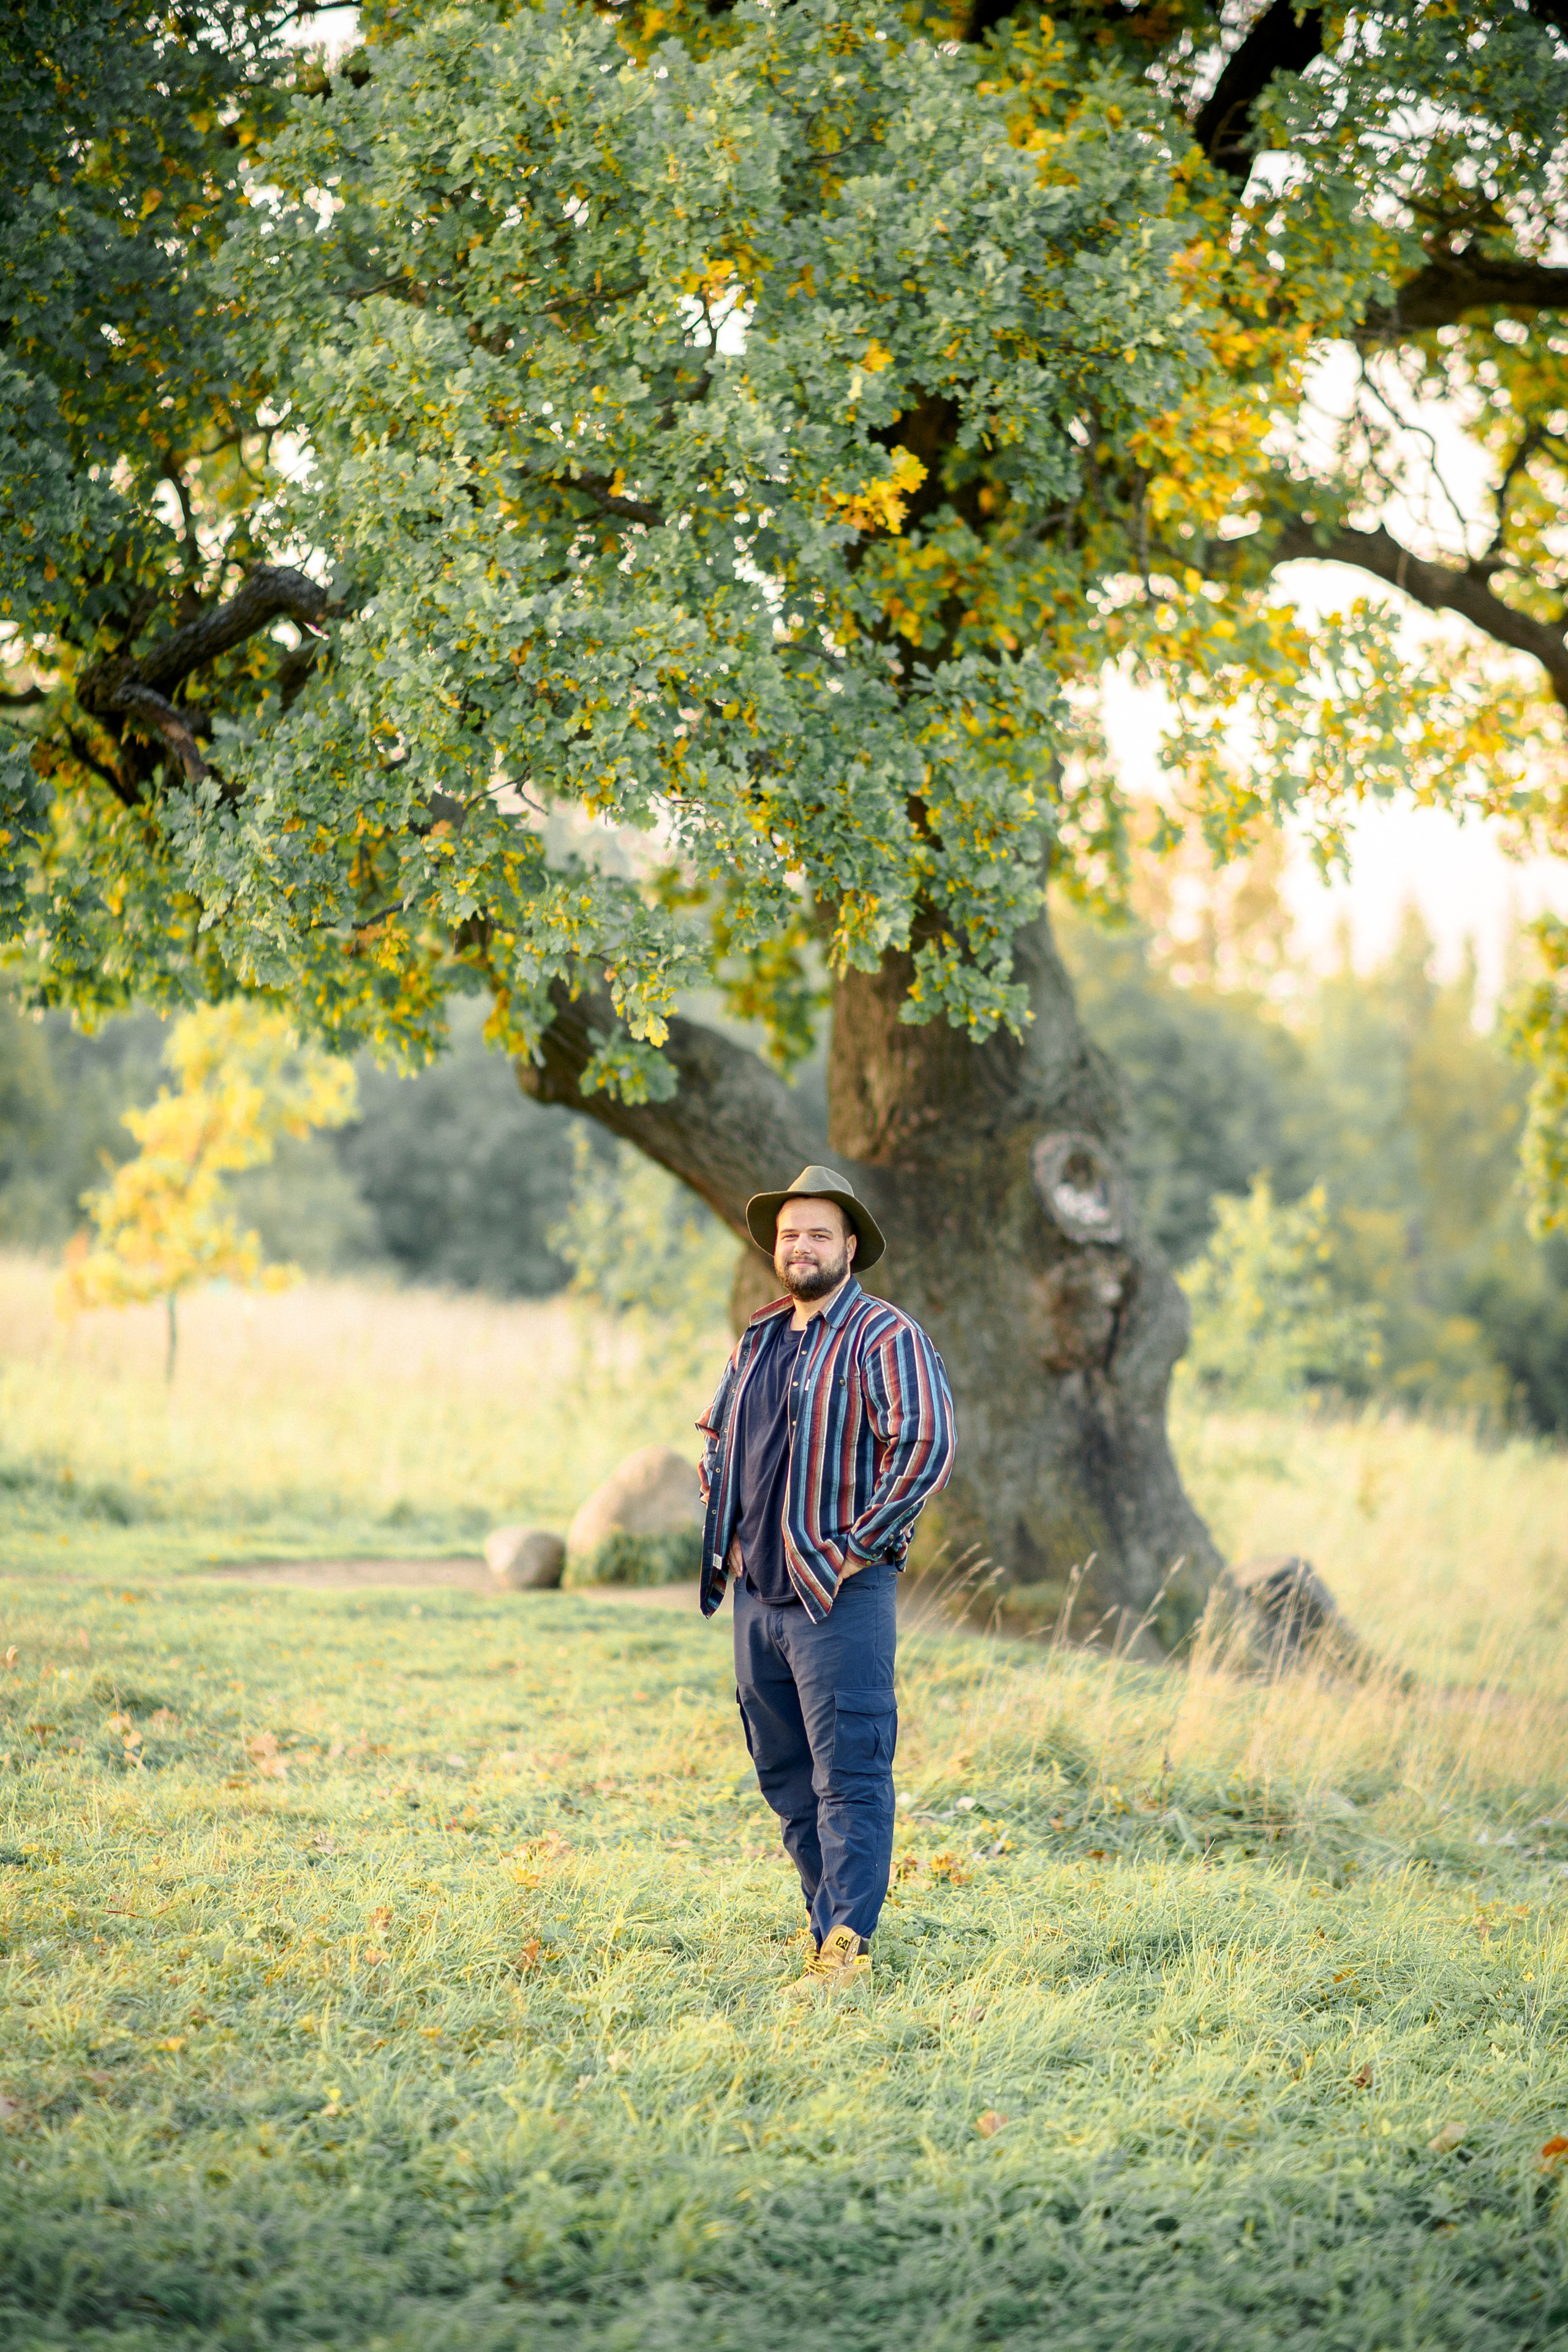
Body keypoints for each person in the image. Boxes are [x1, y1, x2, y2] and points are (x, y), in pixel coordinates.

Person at [697, 1164, 956, 1996]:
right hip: (758, 1597)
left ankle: (848, 1948)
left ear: (849, 1246)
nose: (801, 1246)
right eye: (789, 1234)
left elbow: (925, 1445)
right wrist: (728, 1533)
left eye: (818, 1233)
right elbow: (719, 1439)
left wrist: (854, 1549)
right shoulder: (760, 1337)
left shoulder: (885, 1335)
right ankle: (828, 1930)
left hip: (838, 1597)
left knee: (849, 1774)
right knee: (785, 1776)